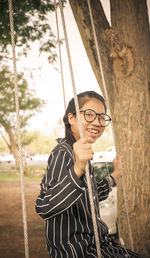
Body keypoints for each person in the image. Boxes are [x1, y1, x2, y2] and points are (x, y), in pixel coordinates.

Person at [35, 91, 141, 258]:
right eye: (90, 115)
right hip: (80, 252)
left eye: (101, 117)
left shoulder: (82, 153)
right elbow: (44, 206)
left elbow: (91, 195)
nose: (97, 122)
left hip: (101, 246)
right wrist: (77, 168)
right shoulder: (64, 152)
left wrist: (115, 175)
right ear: (71, 118)